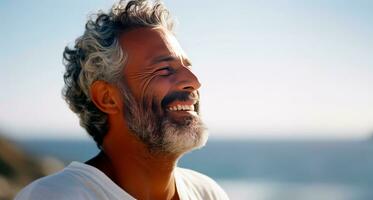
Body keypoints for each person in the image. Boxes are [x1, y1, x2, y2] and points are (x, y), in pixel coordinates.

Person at [15, 0, 229, 199]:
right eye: (164, 69)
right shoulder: (53, 196)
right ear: (107, 98)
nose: (194, 81)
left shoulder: (208, 193)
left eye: (187, 67)